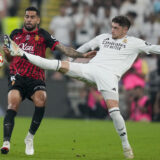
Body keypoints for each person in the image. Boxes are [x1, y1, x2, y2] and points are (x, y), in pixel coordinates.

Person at [6, 15, 160, 159]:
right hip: (90, 69)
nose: (112, 30)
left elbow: (155, 48)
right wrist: (71, 58)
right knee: (56, 65)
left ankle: (126, 146)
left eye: (116, 28)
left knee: (114, 112)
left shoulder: (135, 42)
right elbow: (85, 46)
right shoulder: (103, 37)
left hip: (109, 76)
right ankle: (21, 53)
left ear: (125, 30)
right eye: (112, 27)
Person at [1, 6, 95, 155]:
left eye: (32, 17)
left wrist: (83, 55)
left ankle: (29, 137)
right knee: (12, 103)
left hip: (36, 77)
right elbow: (9, 58)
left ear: (38, 20)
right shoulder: (15, 34)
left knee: (41, 100)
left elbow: (64, 49)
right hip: (17, 76)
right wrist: (6, 54)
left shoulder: (43, 35)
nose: (29, 19)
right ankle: (6, 142)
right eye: (27, 16)